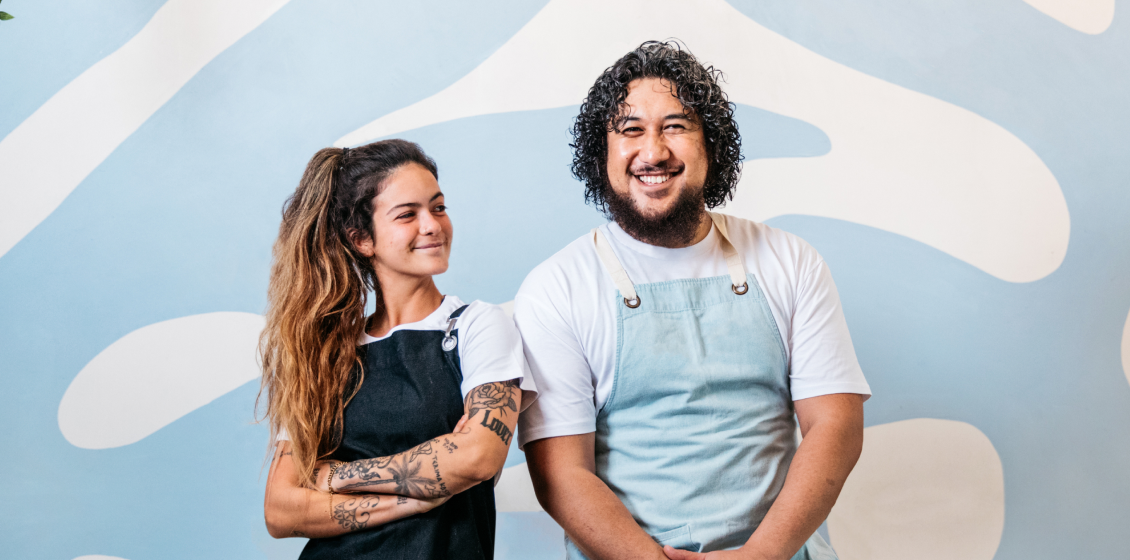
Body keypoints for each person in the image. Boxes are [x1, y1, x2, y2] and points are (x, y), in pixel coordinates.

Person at [515, 41, 871, 560]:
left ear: (712, 146)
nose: (654, 151)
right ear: (602, 153)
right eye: (630, 129)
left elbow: (835, 425)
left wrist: (759, 556)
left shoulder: (789, 260)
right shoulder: (557, 287)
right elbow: (561, 473)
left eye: (676, 126)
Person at [258, 139, 536, 560]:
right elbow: (281, 510)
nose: (432, 225)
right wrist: (419, 494)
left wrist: (336, 477)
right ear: (361, 238)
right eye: (408, 214)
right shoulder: (326, 353)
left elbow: (478, 457)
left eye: (438, 208)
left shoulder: (477, 325)